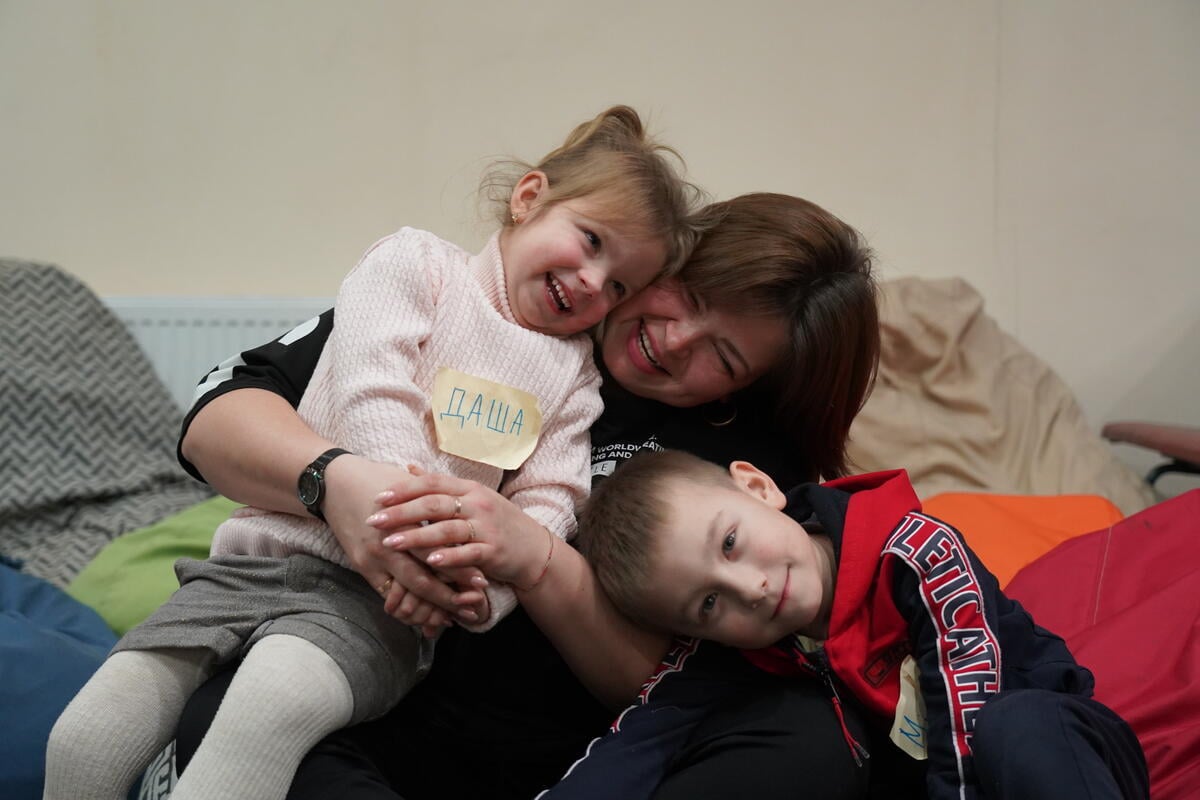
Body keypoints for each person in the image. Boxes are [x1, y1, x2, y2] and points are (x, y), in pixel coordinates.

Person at [43, 105, 701, 800]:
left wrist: (485, 592)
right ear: (530, 198)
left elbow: (550, 501)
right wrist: (403, 512)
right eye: (591, 242)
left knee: (270, 702)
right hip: (254, 563)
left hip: (384, 608)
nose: (596, 283)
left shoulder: (575, 375)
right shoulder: (414, 264)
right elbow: (370, 384)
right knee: (88, 732)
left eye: (620, 286)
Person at [172, 192, 885, 799]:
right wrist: (338, 481)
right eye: (688, 298)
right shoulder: (480, 301)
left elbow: (692, 684)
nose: (673, 340)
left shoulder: (750, 473)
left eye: (722, 356)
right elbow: (215, 418)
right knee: (232, 713)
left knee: (816, 741)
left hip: (568, 754)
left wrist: (535, 558)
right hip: (363, 679)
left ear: (744, 389)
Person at [510, 448, 1148, 800]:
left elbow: (967, 710)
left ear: (758, 487)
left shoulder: (915, 552)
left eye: (731, 543)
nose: (750, 589)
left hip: (1059, 756)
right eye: (708, 604)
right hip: (931, 782)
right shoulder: (742, 650)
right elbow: (640, 738)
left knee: (1018, 726)